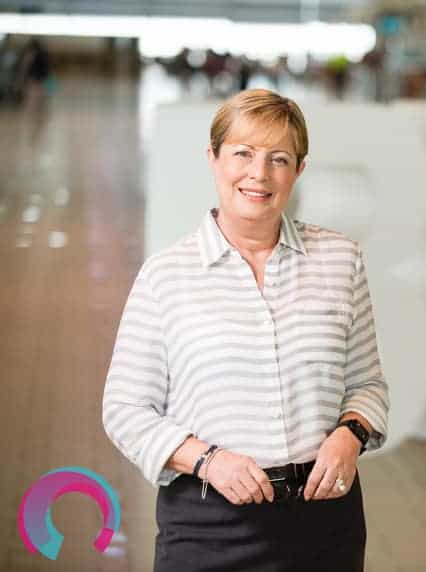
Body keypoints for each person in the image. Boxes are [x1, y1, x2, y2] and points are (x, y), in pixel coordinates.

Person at [102, 88, 390, 571]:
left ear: (298, 170)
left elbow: (367, 384)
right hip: (209, 524)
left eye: (279, 158)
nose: (259, 173)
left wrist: (350, 436)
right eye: (243, 153)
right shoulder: (166, 275)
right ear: (213, 158)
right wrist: (208, 460)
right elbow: (125, 409)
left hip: (325, 520)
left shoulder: (341, 260)